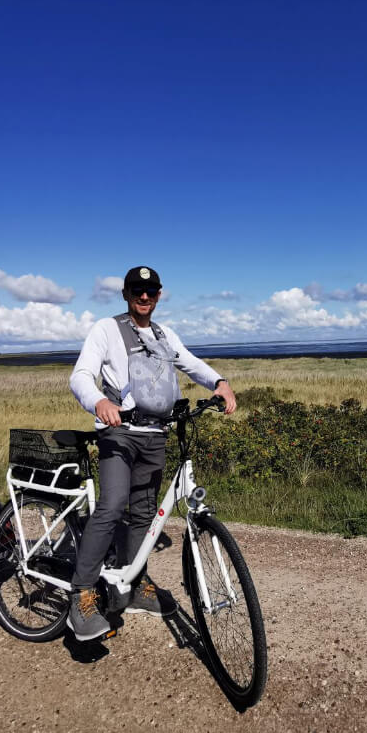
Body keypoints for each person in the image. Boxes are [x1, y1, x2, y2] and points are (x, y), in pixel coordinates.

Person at [67, 265, 236, 640]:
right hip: (119, 433)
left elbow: (189, 363)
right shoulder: (106, 329)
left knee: (144, 514)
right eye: (136, 290)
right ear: (126, 294)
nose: (144, 297)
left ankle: (133, 585)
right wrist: (97, 402)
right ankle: (82, 594)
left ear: (159, 295)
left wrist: (220, 383)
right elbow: (80, 375)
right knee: (112, 506)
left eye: (151, 291)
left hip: (154, 435)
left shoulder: (163, 334)